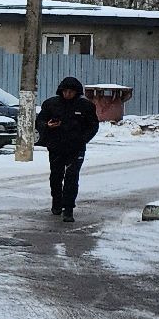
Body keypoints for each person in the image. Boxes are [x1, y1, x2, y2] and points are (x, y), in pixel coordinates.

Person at [36, 76, 98, 223]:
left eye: (71, 91)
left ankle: (68, 209)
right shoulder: (51, 104)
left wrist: (83, 139)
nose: (67, 94)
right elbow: (39, 121)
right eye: (65, 91)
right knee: (56, 176)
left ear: (76, 92)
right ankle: (57, 202)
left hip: (76, 148)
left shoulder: (86, 106)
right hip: (56, 147)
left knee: (72, 176)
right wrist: (47, 126)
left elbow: (93, 126)